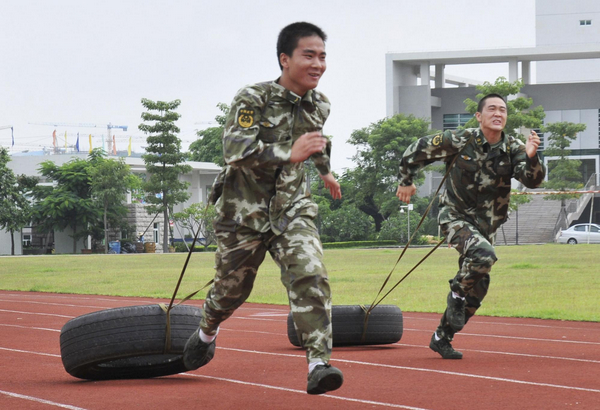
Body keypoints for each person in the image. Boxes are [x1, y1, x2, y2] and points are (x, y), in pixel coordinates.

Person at [183, 22, 344, 394]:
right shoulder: (253, 97)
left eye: (322, 56)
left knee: (311, 274)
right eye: (309, 55)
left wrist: (326, 173)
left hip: (292, 208)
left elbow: (316, 141)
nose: (318, 64)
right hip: (244, 213)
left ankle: (319, 364)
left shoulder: (320, 104)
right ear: (285, 59)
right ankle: (207, 331)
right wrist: (289, 153)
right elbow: (234, 151)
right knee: (231, 291)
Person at [396, 94, 546, 359]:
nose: (498, 113)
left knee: (478, 287)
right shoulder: (459, 140)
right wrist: (405, 180)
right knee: (483, 255)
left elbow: (532, 181)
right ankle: (456, 292)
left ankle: (442, 337)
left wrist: (532, 156)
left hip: (484, 225)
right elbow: (415, 150)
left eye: (502, 110)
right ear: (479, 116)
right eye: (492, 109)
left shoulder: (512, 147)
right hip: (454, 217)